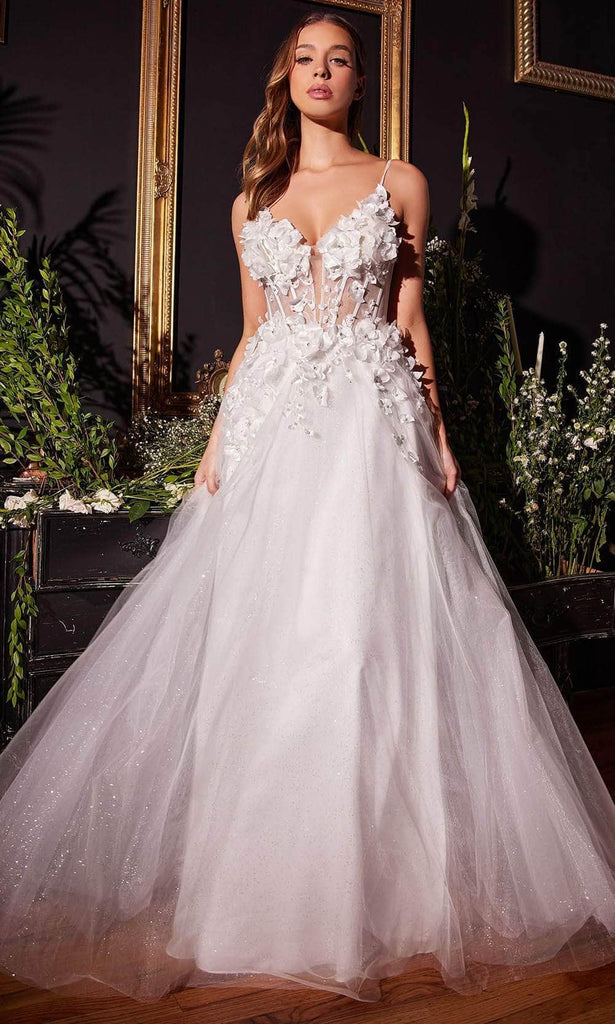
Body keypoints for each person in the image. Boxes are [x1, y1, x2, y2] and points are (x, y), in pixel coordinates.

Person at [1, 11, 615, 1009]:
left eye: (339, 60)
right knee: (272, 634)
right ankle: (259, 886)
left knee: (369, 635)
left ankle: (390, 881)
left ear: (358, 80)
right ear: (285, 79)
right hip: (276, 424)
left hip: (374, 423)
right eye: (305, 59)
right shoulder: (252, 198)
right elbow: (254, 332)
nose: (322, 72)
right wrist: (216, 441)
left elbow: (408, 317)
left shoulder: (401, 181)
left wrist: (440, 430)